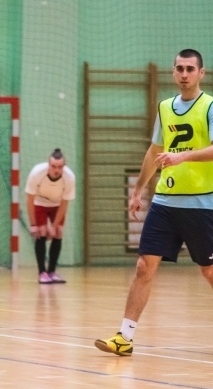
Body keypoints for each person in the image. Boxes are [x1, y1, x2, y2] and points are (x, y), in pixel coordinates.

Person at [95, 48, 213, 357]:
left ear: (201, 73)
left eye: (190, 69)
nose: (184, 74)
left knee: (209, 272)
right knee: (144, 266)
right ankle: (125, 337)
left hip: (202, 204)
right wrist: (138, 190)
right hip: (165, 203)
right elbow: (155, 150)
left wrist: (183, 155)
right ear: (173, 72)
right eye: (179, 68)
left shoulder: (210, 107)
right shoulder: (165, 108)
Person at [25, 148, 76, 284]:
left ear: (64, 166)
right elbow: (30, 199)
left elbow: (65, 203)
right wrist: (33, 225)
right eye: (53, 166)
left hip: (57, 204)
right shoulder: (37, 173)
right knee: (41, 232)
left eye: (59, 167)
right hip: (40, 202)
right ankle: (42, 273)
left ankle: (52, 272)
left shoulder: (69, 178)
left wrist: (54, 226)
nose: (56, 170)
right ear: (49, 165)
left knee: (58, 232)